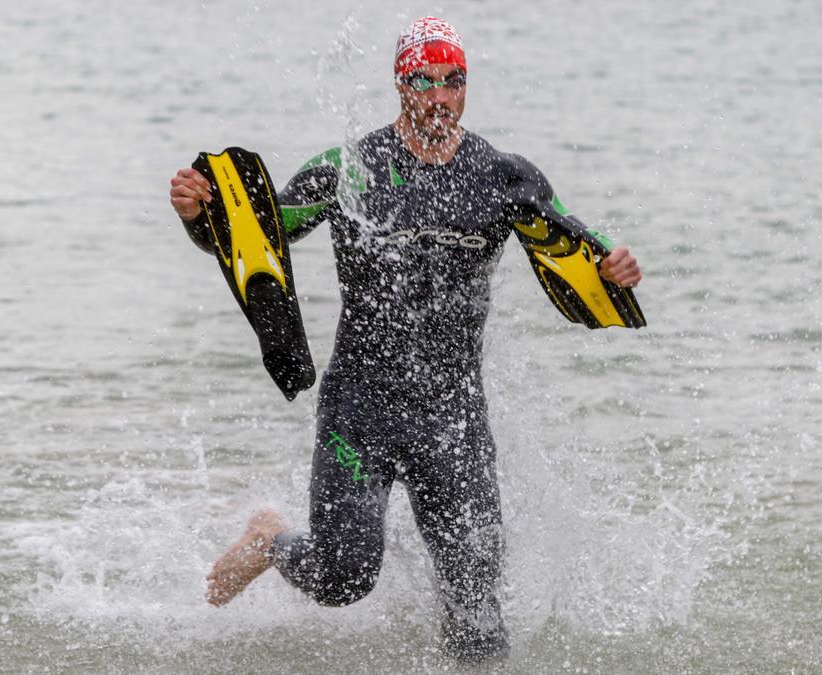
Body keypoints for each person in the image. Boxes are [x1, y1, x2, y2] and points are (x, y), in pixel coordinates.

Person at [168, 16, 642, 662]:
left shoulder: (502, 178)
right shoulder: (350, 170)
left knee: (477, 615)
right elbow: (259, 236)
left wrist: (613, 270)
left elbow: (574, 246)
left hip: (453, 418)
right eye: (424, 81)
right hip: (359, 410)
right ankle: (270, 539)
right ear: (401, 83)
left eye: (454, 81)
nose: (440, 97)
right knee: (343, 576)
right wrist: (201, 218)